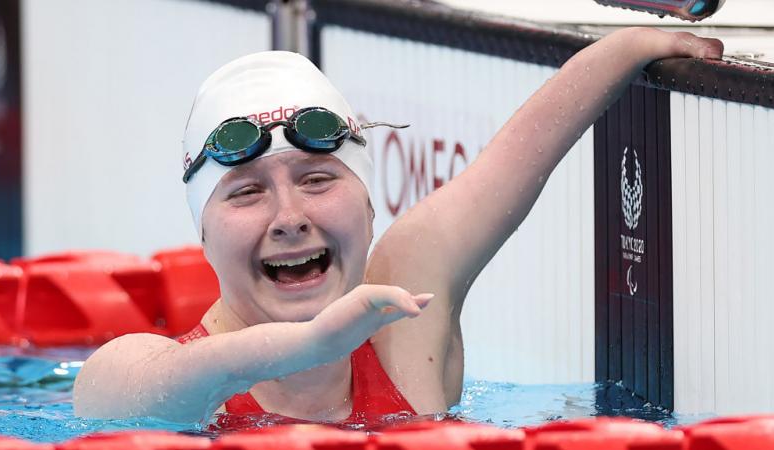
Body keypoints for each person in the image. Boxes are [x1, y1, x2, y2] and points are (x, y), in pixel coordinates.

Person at [73, 27, 722, 424]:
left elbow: (515, 159)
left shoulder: (409, 311)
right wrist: (310, 345)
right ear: (203, 234)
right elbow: (105, 401)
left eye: (319, 179)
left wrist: (630, 48)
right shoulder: (143, 374)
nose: (290, 218)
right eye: (246, 193)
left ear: (368, 203)